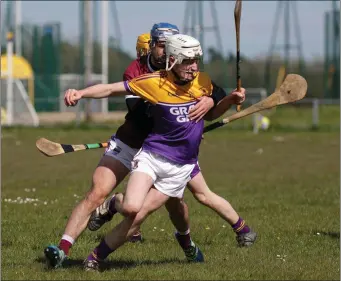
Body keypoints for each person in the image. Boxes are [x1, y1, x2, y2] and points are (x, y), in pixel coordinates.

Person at [63, 33, 247, 271]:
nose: (193, 67)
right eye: (186, 61)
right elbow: (110, 89)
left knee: (142, 216)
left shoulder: (203, 81)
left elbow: (212, 114)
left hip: (180, 167)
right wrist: (81, 93)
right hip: (151, 156)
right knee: (130, 208)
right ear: (172, 60)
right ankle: (114, 204)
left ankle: (95, 258)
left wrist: (228, 99)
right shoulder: (153, 82)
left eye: (195, 61)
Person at [44, 23, 207, 269]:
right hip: (130, 142)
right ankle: (62, 250)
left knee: (177, 206)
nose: (165, 52)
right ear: (152, 46)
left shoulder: (187, 73)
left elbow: (211, 92)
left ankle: (187, 243)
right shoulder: (137, 70)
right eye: (161, 46)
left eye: (170, 47)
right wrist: (81, 93)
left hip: (165, 152)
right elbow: (125, 100)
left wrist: (206, 103)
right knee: (97, 192)